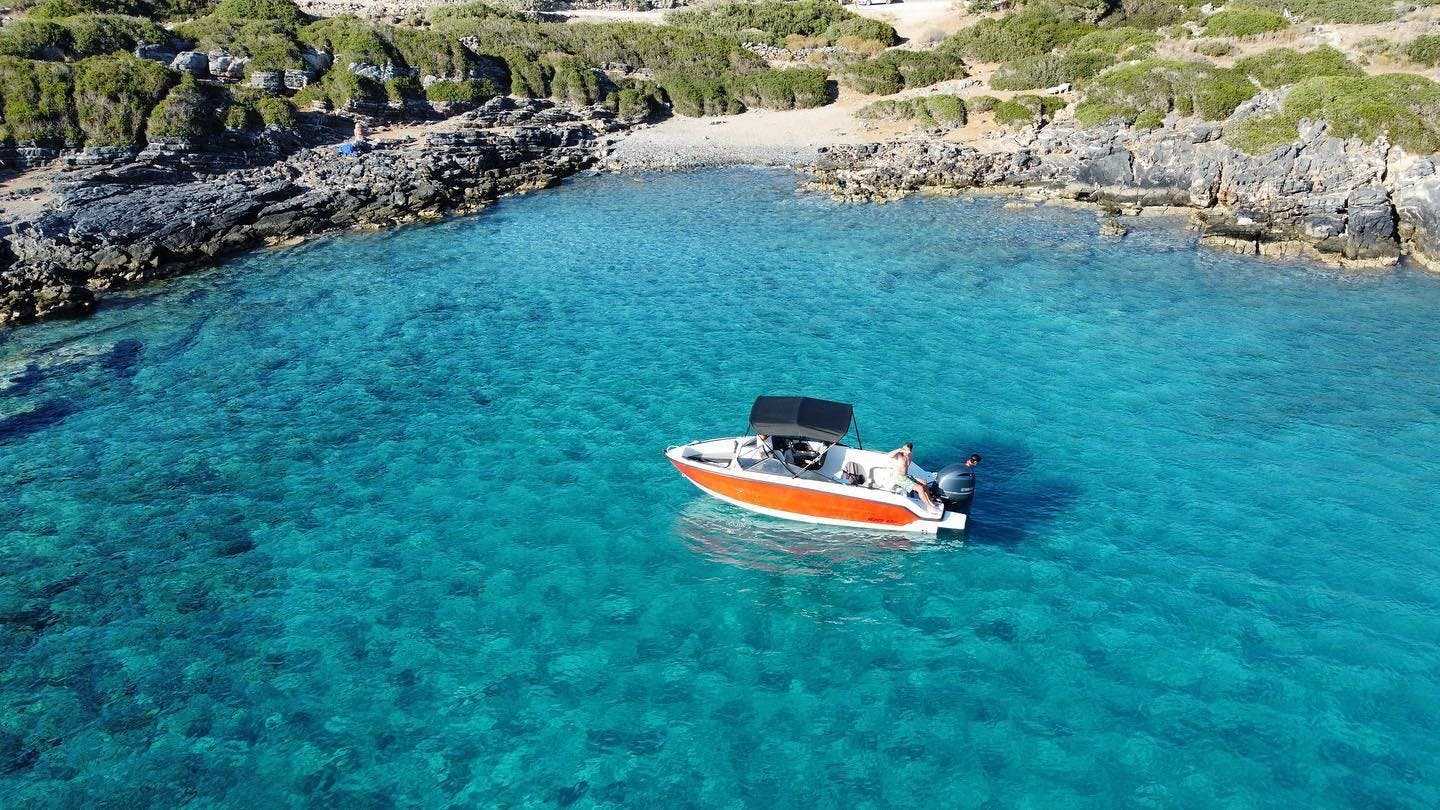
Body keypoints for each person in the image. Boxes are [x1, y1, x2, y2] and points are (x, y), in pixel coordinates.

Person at [888, 442, 940, 514]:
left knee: (924, 483)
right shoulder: (899, 455)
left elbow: (906, 469)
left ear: (910, 450)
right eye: (904, 449)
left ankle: (931, 502)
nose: (905, 451)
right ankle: (929, 507)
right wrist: (899, 450)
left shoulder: (909, 456)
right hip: (899, 478)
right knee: (920, 488)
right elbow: (889, 455)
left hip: (906, 476)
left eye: (906, 450)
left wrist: (908, 453)